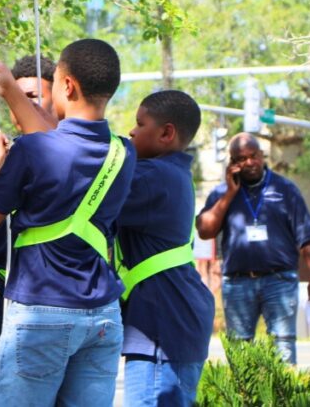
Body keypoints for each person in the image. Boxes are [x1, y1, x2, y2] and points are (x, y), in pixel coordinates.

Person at [0, 39, 135, 406]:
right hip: (102, 314)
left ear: (68, 86)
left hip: (41, 311)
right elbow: (55, 145)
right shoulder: (125, 152)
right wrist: (11, 89)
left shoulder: (31, 152)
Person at [116, 90, 215, 407]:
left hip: (163, 326)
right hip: (175, 318)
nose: (131, 131)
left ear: (166, 133)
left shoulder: (153, 177)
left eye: (139, 123)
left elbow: (89, 185)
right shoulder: (172, 174)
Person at [196, 132, 310, 364]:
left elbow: (307, 235)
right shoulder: (221, 193)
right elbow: (205, 231)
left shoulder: (286, 189)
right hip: (237, 282)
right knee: (239, 347)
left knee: (283, 344)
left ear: (262, 155)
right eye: (241, 158)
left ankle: (280, 400)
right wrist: (230, 194)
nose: (249, 163)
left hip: (279, 280)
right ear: (232, 163)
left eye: (253, 156)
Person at [0, 55, 56, 371]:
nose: (19, 104)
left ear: (59, 94)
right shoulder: (6, 158)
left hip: (65, 301)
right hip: (12, 302)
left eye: (32, 97)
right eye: (14, 96)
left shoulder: (79, 155)